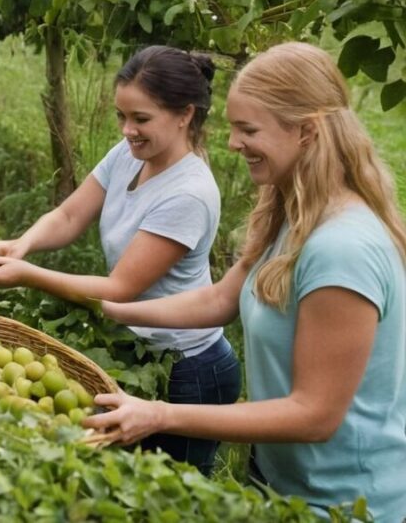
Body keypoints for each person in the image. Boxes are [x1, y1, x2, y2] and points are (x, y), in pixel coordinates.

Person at [84, 42, 406, 522]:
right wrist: (105, 308)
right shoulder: (289, 215)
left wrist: (160, 413)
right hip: (286, 485)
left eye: (248, 129)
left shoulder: (342, 249)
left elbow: (314, 414)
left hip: (347, 503)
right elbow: (218, 300)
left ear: (307, 132)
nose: (232, 143)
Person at [0, 45, 241, 475]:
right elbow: (70, 214)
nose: (128, 130)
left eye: (141, 119)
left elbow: (120, 289)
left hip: (187, 369)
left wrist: (28, 276)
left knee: (171, 495)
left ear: (185, 114)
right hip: (140, 349)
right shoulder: (129, 155)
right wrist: (24, 244)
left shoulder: (188, 193)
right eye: (122, 117)